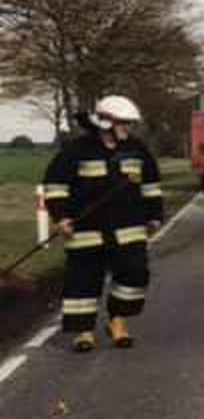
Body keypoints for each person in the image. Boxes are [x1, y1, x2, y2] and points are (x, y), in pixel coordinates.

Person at [41, 96, 164, 352]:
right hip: (86, 231)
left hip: (128, 228)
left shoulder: (137, 150)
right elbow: (55, 187)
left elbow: (151, 187)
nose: (129, 128)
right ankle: (84, 332)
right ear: (105, 122)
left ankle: (117, 321)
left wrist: (154, 216)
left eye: (131, 123)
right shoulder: (76, 151)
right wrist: (61, 218)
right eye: (124, 123)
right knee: (84, 281)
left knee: (135, 274)